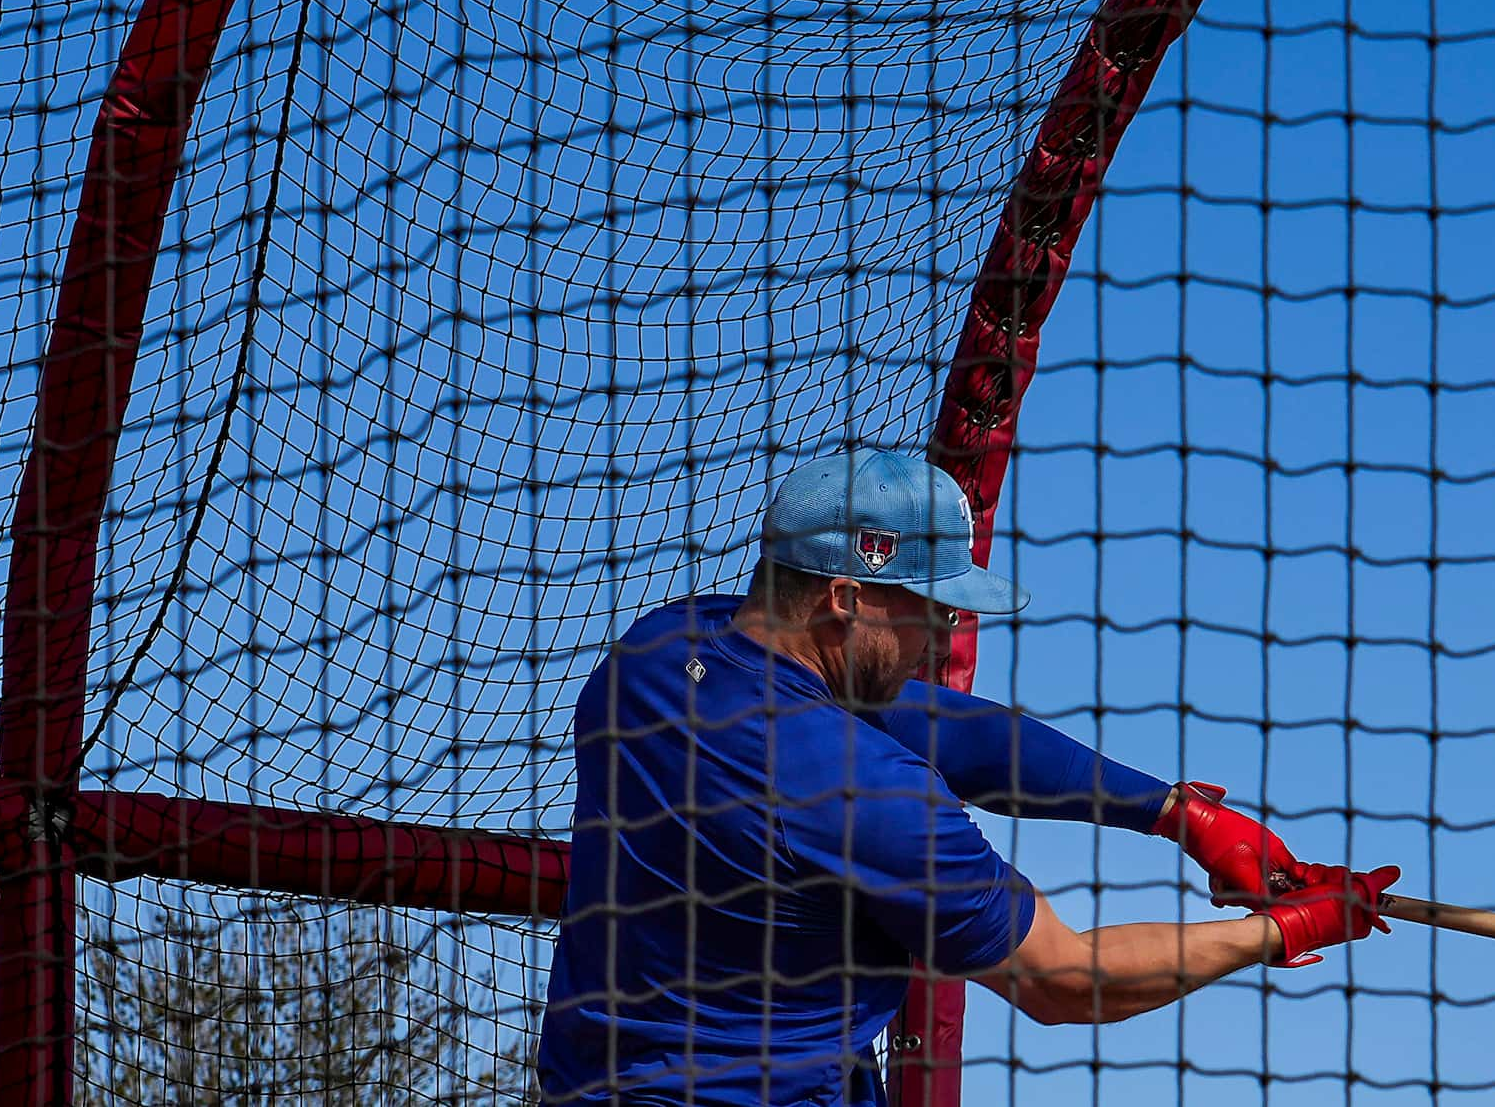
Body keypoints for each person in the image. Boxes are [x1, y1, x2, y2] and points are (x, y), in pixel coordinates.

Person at [538, 448, 1397, 1106]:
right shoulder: (867, 797)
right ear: (846, 597)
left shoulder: (658, 651)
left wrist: (1174, 813)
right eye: (933, 609)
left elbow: (950, 730)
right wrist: (1285, 930)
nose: (945, 640)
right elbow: (1069, 980)